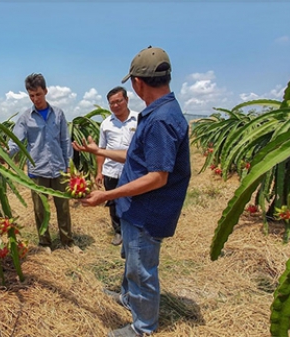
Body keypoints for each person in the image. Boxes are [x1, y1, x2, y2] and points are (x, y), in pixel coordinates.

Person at [72, 47, 191, 336]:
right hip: (135, 208)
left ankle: (143, 327)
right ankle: (128, 298)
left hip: (147, 212)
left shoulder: (162, 120)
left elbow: (157, 177)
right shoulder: (157, 113)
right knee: (131, 260)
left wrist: (107, 196)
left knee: (141, 269)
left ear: (137, 83)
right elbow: (136, 157)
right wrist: (98, 150)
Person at [8, 73, 82, 255]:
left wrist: (68, 166)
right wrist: (5, 154)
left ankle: (68, 241)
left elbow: (65, 140)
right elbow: (15, 141)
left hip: (59, 169)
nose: (35, 99)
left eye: (38, 94)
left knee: (63, 208)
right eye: (31, 96)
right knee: (40, 210)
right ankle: (44, 243)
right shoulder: (26, 118)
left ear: (46, 91)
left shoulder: (58, 114)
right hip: (37, 170)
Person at [97, 86, 138, 246]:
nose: (115, 105)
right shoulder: (106, 124)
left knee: (134, 199)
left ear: (126, 100)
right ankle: (119, 231)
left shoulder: (139, 119)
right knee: (113, 202)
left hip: (134, 171)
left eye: (118, 101)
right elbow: (101, 150)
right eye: (111, 103)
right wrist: (99, 172)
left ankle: (134, 230)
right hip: (111, 171)